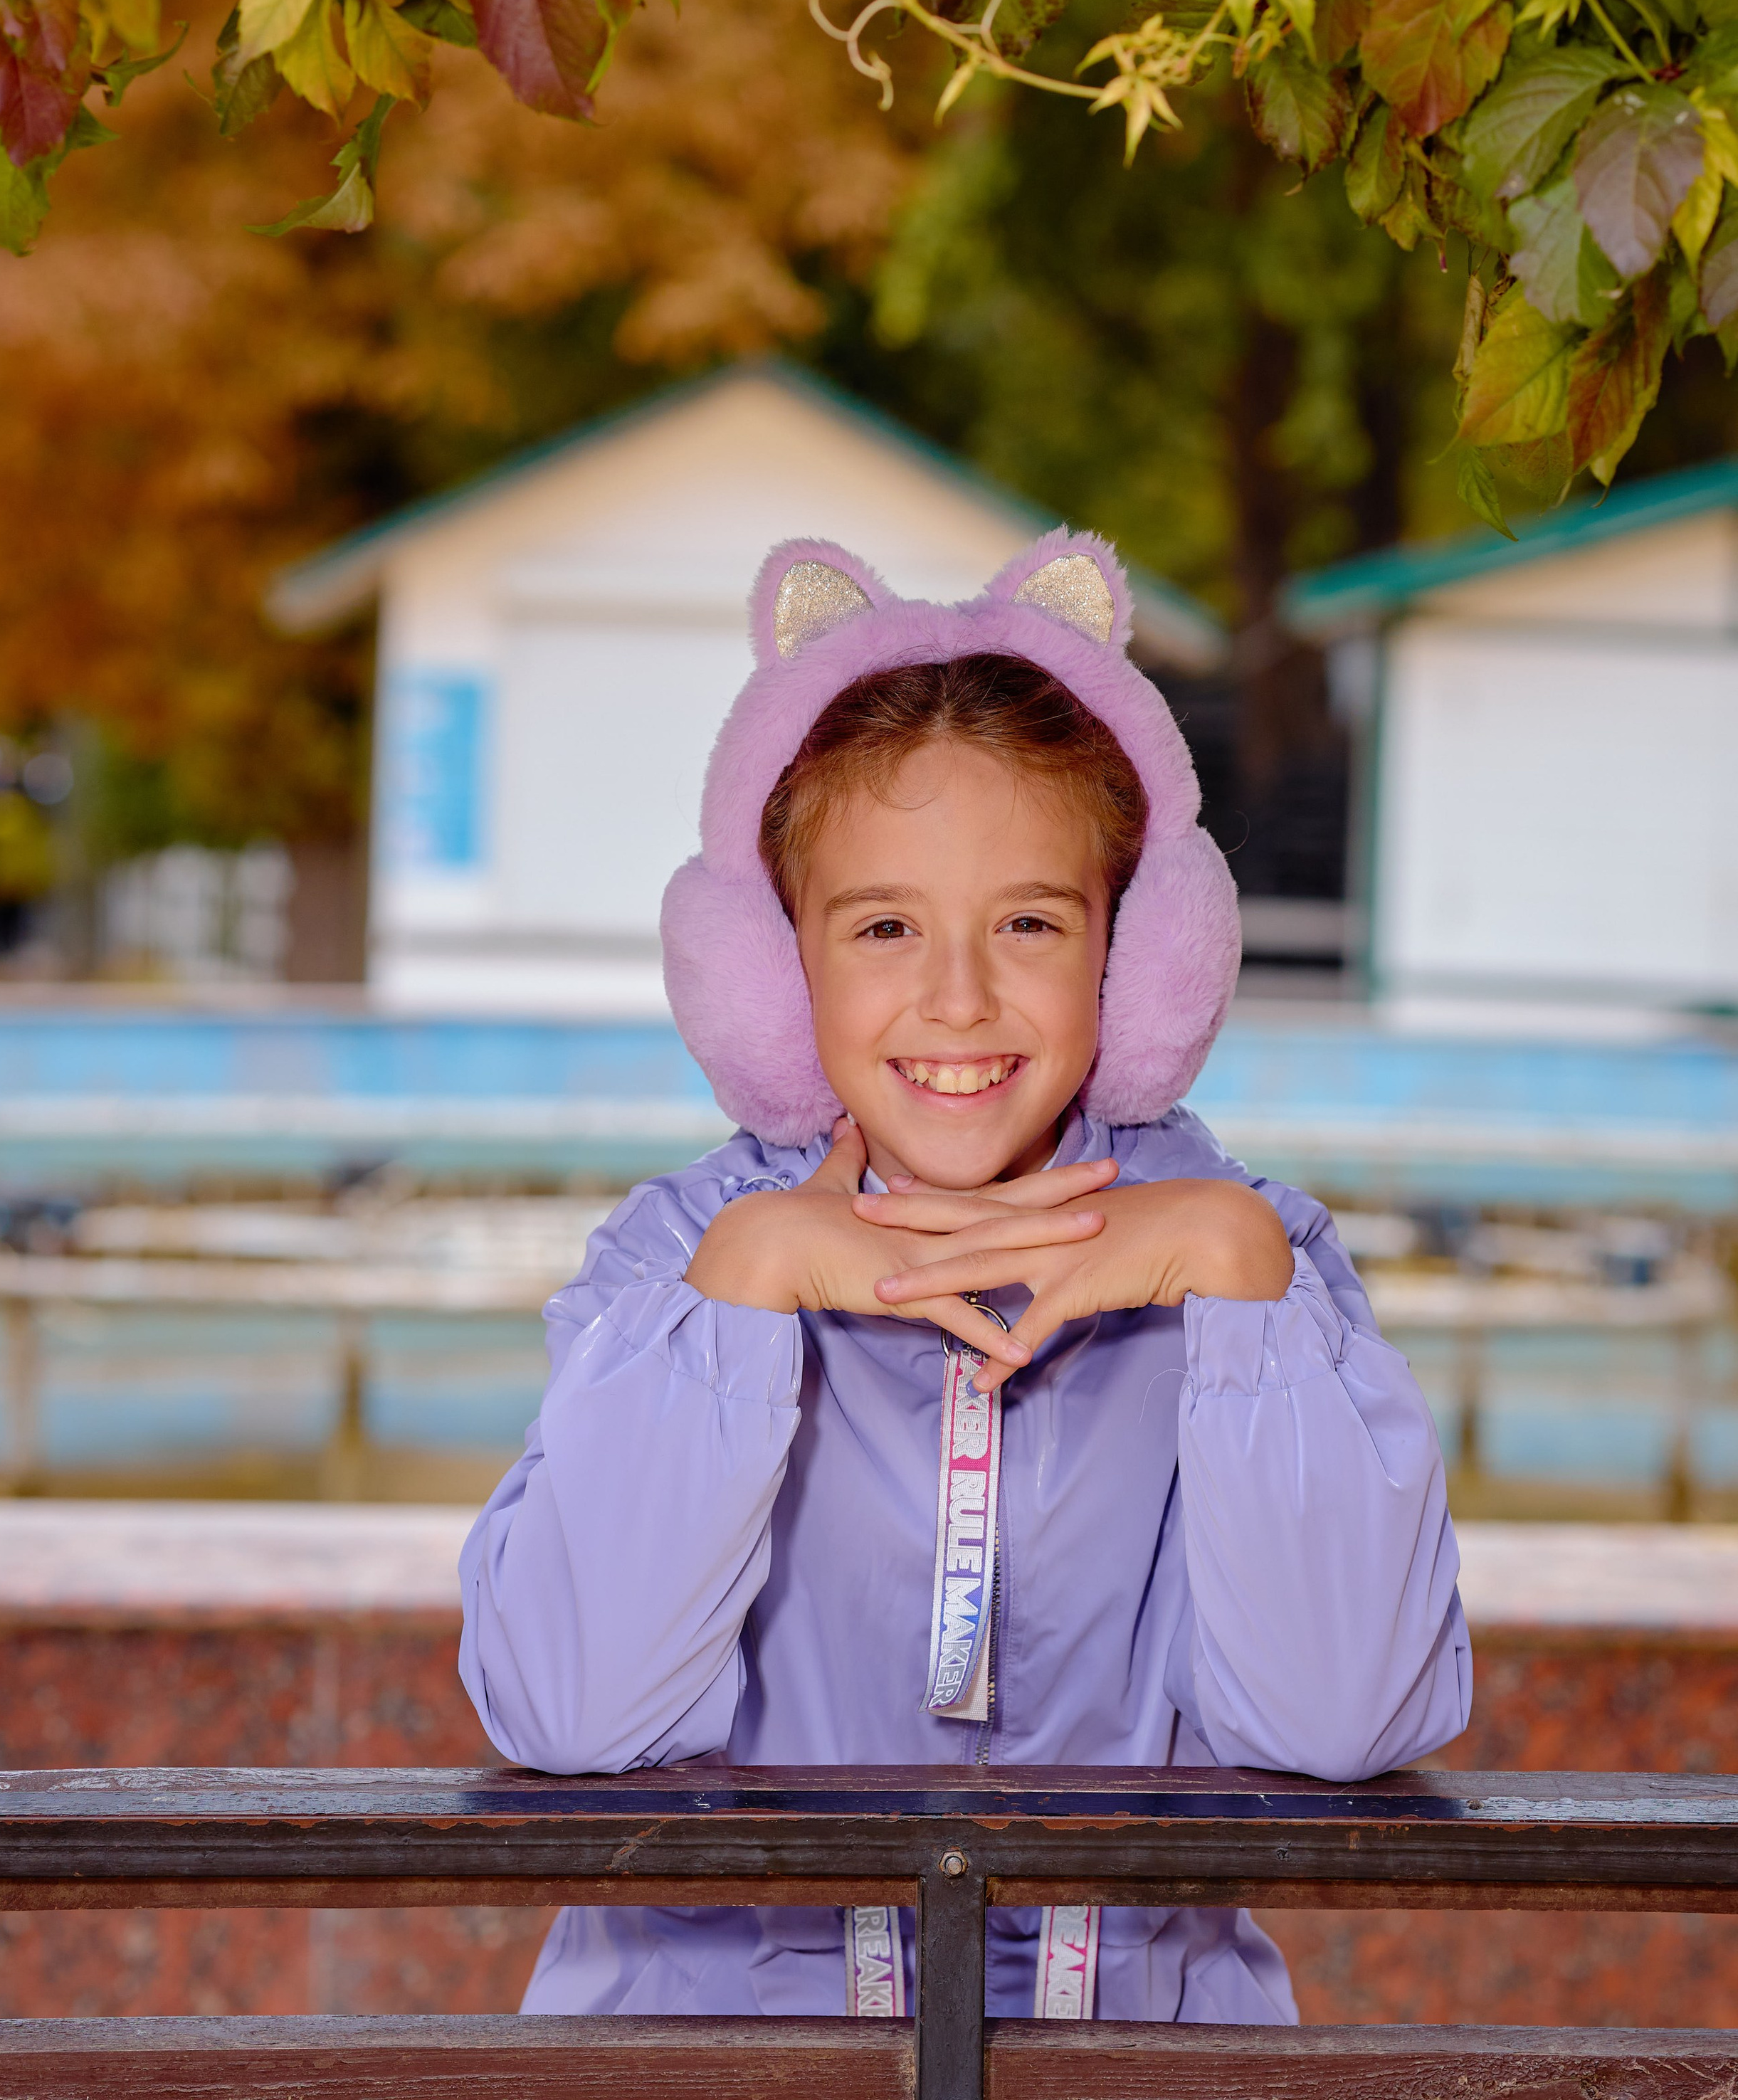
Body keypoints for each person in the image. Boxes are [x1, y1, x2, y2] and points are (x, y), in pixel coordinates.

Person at [459, 531, 1470, 2025]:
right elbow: (568, 1713)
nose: (955, 998)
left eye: (1028, 924)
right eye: (879, 927)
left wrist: (1234, 1279)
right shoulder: (672, 1268)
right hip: (708, 2063)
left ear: (1136, 962)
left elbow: (1346, 1722)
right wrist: (740, 1299)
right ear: (766, 968)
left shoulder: (1259, 1269)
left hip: (1135, 2070)